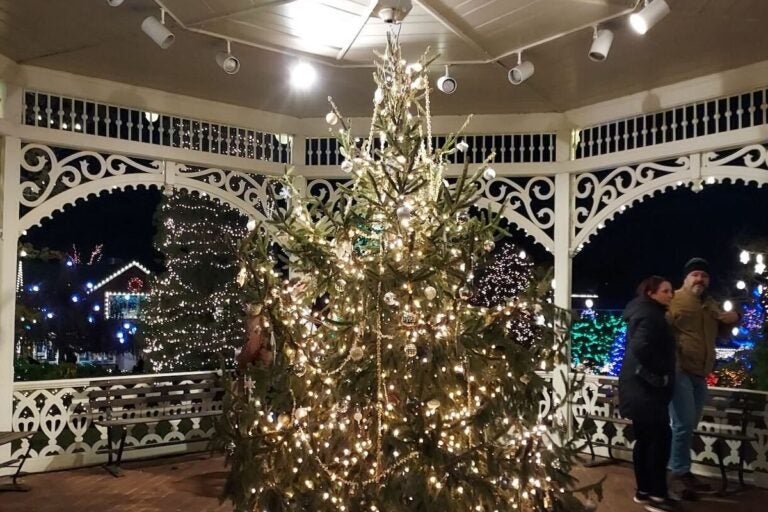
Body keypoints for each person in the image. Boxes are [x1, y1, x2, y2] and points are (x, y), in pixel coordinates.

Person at [667, 257, 739, 499]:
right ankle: (677, 474)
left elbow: (724, 334)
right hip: (679, 372)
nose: (700, 279)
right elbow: (659, 331)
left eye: (704, 276)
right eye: (695, 274)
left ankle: (682, 472)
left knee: (689, 424)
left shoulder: (710, 304)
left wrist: (733, 318)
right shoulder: (673, 300)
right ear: (685, 278)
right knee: (683, 423)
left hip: (700, 373)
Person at [619, 276, 677, 512]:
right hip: (647, 390)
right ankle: (656, 495)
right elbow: (641, 347)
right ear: (651, 293)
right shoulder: (651, 316)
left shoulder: (642, 312)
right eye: (666, 291)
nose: (670, 295)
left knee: (645, 441)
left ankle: (644, 491)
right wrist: (662, 370)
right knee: (659, 441)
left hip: (638, 390)